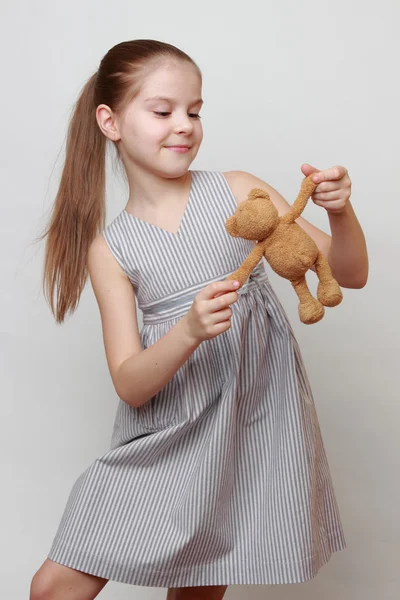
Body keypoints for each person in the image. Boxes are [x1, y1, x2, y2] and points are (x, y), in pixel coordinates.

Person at [30, 39, 368, 600]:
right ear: (110, 122)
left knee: (199, 592)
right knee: (55, 586)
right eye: (163, 111)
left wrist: (339, 209)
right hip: (166, 435)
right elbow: (130, 384)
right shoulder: (111, 249)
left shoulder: (237, 191)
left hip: (243, 429)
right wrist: (187, 331)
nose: (184, 125)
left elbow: (349, 273)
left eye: (195, 111)